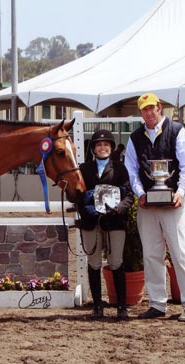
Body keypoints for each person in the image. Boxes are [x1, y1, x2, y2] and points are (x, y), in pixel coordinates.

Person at [124, 93, 185, 322]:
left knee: (180, 252)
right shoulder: (135, 137)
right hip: (149, 205)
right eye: (144, 110)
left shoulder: (177, 131)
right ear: (140, 113)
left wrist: (180, 192)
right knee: (151, 254)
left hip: (175, 202)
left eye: (152, 108)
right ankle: (157, 303)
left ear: (159, 108)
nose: (149, 113)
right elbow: (131, 170)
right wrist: (140, 194)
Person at [76, 129, 134, 320]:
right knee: (93, 263)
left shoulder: (120, 168)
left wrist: (119, 209)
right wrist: (89, 209)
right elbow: (78, 196)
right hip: (92, 220)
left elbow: (128, 195)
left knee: (116, 262)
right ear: (94, 148)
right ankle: (98, 306)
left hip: (114, 220)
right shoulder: (84, 169)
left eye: (106, 145)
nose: (103, 148)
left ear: (111, 148)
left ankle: (121, 307)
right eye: (99, 145)